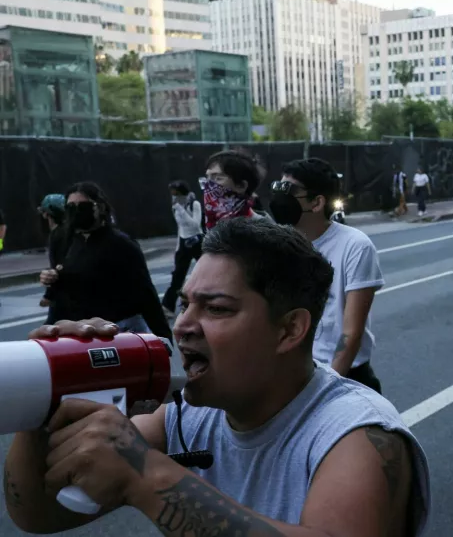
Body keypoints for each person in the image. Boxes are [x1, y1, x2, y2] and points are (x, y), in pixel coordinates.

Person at [5, 218, 431, 537]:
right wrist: (46, 396)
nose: (184, 325)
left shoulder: (358, 435)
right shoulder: (184, 417)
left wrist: (143, 474)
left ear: (289, 330)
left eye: (217, 308)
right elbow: (38, 515)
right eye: (186, 304)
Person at [271, 158, 387, 393]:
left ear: (316, 202)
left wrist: (325, 389)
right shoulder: (277, 245)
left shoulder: (356, 246)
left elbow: (351, 333)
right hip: (290, 372)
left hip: (341, 378)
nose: (280, 197)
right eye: (278, 187)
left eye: (289, 190)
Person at [38, 182, 170, 339]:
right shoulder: (62, 239)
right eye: (71, 207)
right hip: (79, 332)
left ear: (99, 207)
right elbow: (60, 280)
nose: (77, 211)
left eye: (83, 206)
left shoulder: (121, 244)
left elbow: (146, 294)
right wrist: (51, 280)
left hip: (118, 330)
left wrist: (163, 339)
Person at [161, 180, 204, 319]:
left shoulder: (194, 204)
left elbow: (195, 225)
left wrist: (181, 209)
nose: (174, 197)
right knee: (177, 276)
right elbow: (181, 227)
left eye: (176, 193)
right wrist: (179, 246)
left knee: (207, 270)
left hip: (197, 241)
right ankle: (167, 306)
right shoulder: (175, 206)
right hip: (184, 242)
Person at [201, 150, 269, 229]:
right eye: (207, 178)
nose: (207, 185)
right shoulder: (211, 225)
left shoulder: (262, 228)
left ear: (241, 186)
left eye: (218, 178)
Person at [37, 194, 67, 312]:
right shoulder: (68, 230)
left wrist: (48, 296)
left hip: (63, 296)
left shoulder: (57, 235)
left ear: (46, 214)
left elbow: (57, 268)